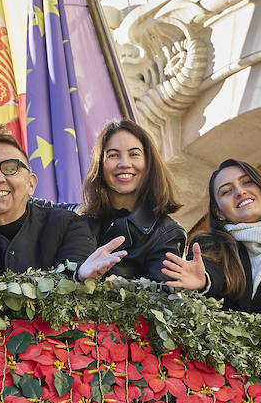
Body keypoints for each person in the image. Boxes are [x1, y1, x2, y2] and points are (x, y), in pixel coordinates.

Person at [0, 123, 125, 280]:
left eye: (10, 167)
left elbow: (75, 270)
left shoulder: (68, 224)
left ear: (31, 184)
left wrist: (79, 276)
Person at [160, 158, 261, 337]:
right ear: (218, 212)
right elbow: (211, 270)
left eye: (247, 182)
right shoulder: (208, 243)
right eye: (226, 191)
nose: (240, 191)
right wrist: (204, 281)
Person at [78, 119, 186, 281]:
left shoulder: (167, 232)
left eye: (134, 154)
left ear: (149, 163)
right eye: (113, 155)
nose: (124, 164)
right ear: (100, 164)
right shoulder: (78, 221)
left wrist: (117, 289)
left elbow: (161, 297)